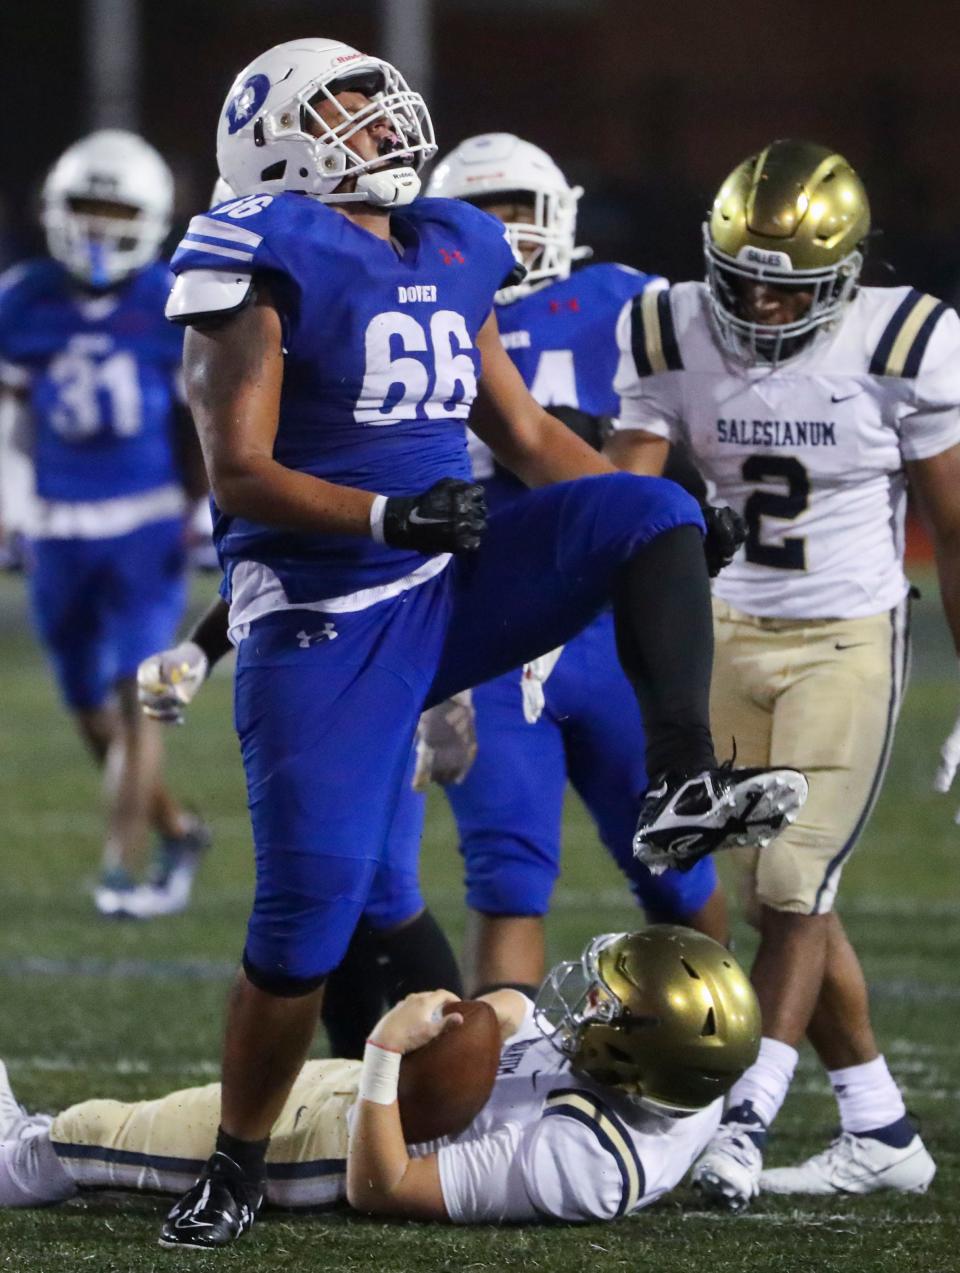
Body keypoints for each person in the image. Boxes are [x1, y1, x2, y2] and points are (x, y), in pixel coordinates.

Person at [157, 37, 806, 1248]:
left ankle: (678, 776)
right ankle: (237, 1163)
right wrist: (382, 512)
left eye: (372, 93)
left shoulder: (454, 242)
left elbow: (521, 436)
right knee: (307, 914)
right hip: (323, 614)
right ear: (274, 140)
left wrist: (649, 526)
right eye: (342, 106)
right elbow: (239, 475)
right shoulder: (255, 249)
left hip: (444, 580)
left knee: (650, 504)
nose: (378, 115)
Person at [610, 139, 951, 1208]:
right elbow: (624, 506)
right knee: (774, 894)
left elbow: (955, 524)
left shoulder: (909, 338)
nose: (761, 304)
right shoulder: (664, 324)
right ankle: (879, 1126)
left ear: (847, 272)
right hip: (718, 630)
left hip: (848, 634)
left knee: (795, 882)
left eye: (789, 284)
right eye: (744, 277)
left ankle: (738, 1122)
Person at [416, 132, 729, 997]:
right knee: (509, 876)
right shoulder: (420, 309)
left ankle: (715, 1073)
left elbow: (696, 433)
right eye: (484, 214)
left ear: (561, 217)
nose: (507, 232)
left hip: (616, 626)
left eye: (520, 210)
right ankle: (496, 1104)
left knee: (681, 873)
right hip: (491, 633)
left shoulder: (631, 301)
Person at [0, 926, 761, 1234]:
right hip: (398, 1094)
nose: (584, 997)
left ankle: (16, 1158)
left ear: (631, 1063)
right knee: (140, 1115)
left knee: (87, 1140)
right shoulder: (688, 1074)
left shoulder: (588, 1163)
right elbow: (513, 1009)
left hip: (342, 1146)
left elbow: (383, 1185)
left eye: (606, 1004)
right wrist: (475, 1025)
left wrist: (387, 1052)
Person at [0, 130, 210, 920]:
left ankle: (121, 866)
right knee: (87, 701)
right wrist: (10, 503)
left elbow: (207, 418)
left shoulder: (174, 296)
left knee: (137, 692)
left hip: (147, 518)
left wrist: (200, 507)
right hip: (56, 521)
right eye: (84, 207)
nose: (96, 226)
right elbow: (11, 413)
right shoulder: (23, 298)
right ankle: (178, 829)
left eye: (113, 209)